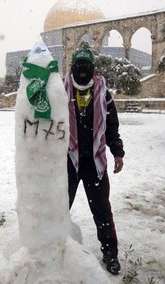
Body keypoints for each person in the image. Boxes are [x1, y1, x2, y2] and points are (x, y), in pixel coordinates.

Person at [64, 46, 125, 275]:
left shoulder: (102, 92)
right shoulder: (60, 90)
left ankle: (110, 253)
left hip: (94, 162)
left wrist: (117, 151)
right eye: (78, 65)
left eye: (86, 66)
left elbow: (111, 126)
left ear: (92, 68)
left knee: (102, 210)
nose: (82, 70)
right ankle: (53, 248)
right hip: (68, 162)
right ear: (72, 66)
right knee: (60, 208)